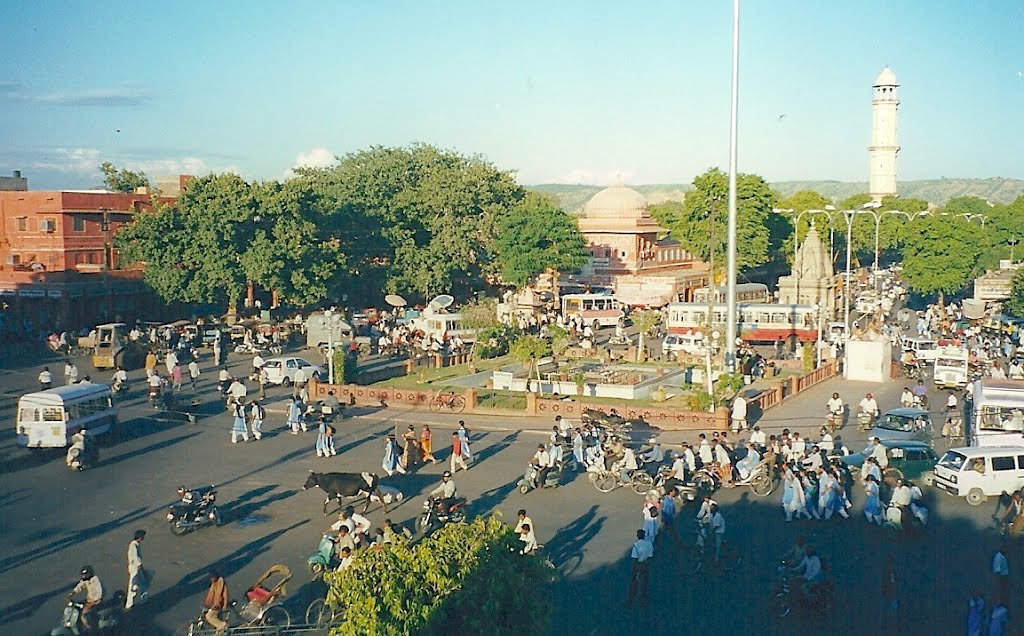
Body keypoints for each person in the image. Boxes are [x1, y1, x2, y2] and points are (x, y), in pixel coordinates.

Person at [69, 565, 103, 632]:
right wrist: (72, 593)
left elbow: (99, 594)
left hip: (96, 601)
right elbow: (80, 586)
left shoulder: (96, 581)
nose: (83, 577)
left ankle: (90, 629)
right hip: (89, 600)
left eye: (85, 575)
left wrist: (92, 604)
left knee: (84, 615)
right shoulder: (86, 580)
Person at [625, 529, 654, 608]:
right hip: (646, 564)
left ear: (638, 536)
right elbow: (650, 555)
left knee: (634, 583)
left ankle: (630, 600)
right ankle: (642, 599)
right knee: (644, 582)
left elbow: (634, 557)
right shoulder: (649, 544)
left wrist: (634, 569)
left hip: (638, 564)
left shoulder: (636, 545)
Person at [125, 529, 146, 610]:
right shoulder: (133, 546)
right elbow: (135, 558)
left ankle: (143, 599)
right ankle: (129, 604)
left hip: (136, 567)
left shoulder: (135, 544)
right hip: (135, 568)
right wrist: (140, 566)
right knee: (134, 585)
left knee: (141, 584)